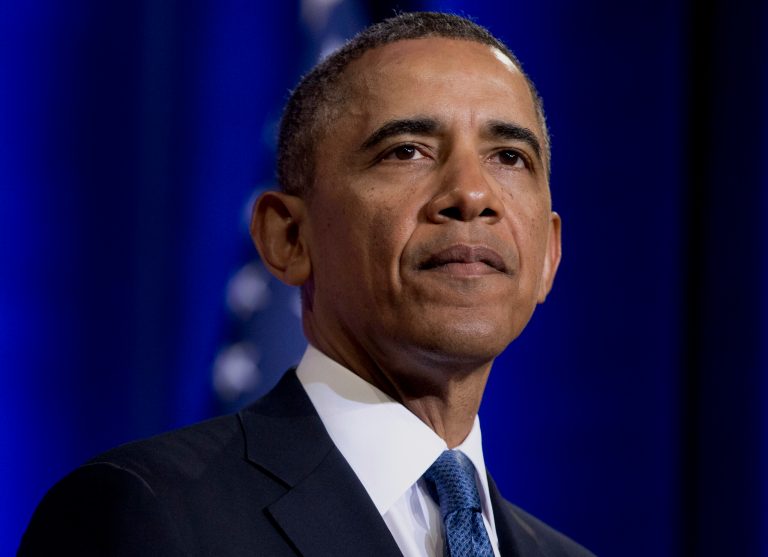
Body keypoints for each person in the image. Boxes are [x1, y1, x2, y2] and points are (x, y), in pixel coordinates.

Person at [19, 12, 595, 557]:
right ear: (288, 237)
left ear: (548, 255)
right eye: (407, 151)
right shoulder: (146, 515)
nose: (472, 195)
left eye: (510, 157)